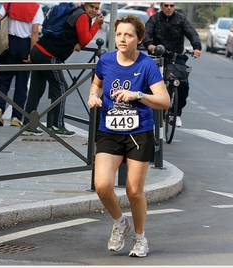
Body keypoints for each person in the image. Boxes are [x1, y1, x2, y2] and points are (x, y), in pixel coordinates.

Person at [87, 15, 169, 257]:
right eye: (119, 34)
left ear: (139, 39)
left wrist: (138, 95)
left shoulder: (147, 66)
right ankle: (120, 223)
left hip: (138, 133)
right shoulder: (106, 60)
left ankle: (140, 238)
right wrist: (94, 95)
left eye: (129, 35)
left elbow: (164, 101)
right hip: (110, 130)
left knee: (134, 191)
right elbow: (97, 83)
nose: (122, 39)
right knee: (102, 186)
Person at [23, 2, 104, 137]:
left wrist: (75, 42)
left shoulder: (75, 12)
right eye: (92, 7)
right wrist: (96, 24)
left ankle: (28, 125)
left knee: (36, 89)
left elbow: (70, 34)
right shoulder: (82, 16)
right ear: (85, 5)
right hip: (48, 55)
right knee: (61, 87)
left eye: (96, 8)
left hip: (39, 49)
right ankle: (58, 126)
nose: (94, 11)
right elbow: (85, 40)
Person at [143, 2, 201, 127]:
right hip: (158, 56)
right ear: (161, 6)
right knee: (149, 82)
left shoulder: (181, 19)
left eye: (171, 5)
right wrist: (149, 45)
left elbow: (192, 32)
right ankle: (147, 111)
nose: (169, 8)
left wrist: (196, 47)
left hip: (176, 56)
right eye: (166, 5)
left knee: (183, 84)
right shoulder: (154, 19)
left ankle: (177, 113)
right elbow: (146, 33)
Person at [0, 3, 44, 128]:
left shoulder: (9, 3)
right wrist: (32, 52)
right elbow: (35, 31)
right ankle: (16, 117)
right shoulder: (36, 7)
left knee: (3, 78)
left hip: (9, 44)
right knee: (22, 83)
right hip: (25, 45)